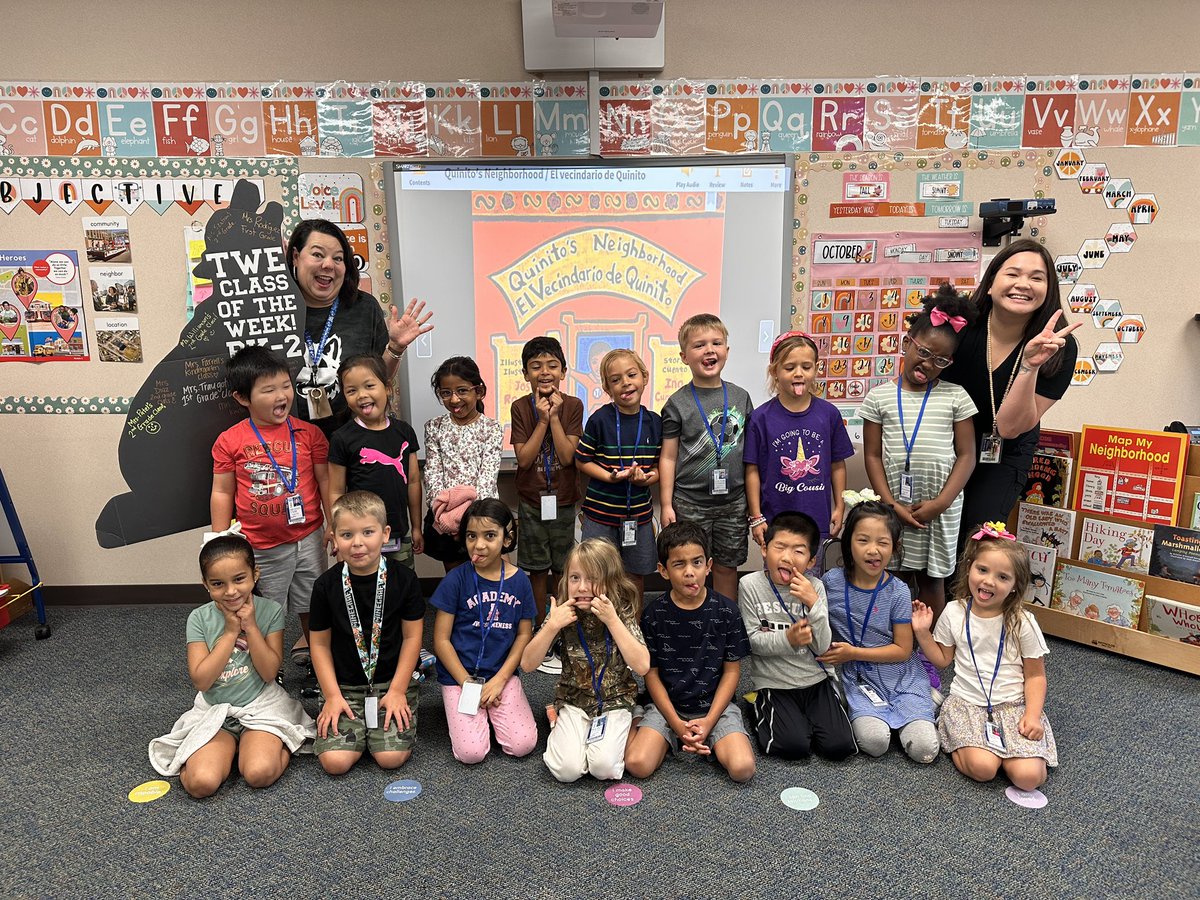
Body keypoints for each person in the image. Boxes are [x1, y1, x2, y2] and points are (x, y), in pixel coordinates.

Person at [148, 535, 314, 797]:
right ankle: (218, 753)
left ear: (254, 575)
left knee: (259, 773)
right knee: (201, 784)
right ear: (206, 585)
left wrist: (250, 627)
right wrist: (229, 633)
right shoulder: (199, 618)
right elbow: (202, 681)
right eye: (218, 584)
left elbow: (270, 672)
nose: (231, 591)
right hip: (215, 711)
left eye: (239, 579)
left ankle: (275, 743)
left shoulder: (269, 610)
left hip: (261, 706)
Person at [940, 239, 1081, 542]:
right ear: (991, 283)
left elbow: (1010, 427)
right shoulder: (960, 327)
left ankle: (964, 593)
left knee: (976, 539)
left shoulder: (1059, 347)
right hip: (943, 443)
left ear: (1049, 290)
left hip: (1003, 453)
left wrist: (1029, 366)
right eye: (1013, 274)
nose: (1023, 284)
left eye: (1036, 277)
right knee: (932, 534)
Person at [860, 284, 979, 618]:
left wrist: (940, 503)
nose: (928, 364)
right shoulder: (879, 397)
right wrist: (891, 504)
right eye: (924, 352)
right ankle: (890, 641)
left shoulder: (956, 396)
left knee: (932, 580)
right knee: (891, 576)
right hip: (895, 505)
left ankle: (931, 651)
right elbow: (872, 456)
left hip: (940, 509)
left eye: (940, 360)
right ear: (906, 343)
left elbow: (967, 455)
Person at [210, 346, 330, 671]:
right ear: (242, 398)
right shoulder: (229, 441)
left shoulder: (310, 434)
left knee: (313, 606)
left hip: (309, 538)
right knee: (264, 611)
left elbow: (325, 482)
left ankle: (322, 667)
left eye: (285, 385)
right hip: (261, 545)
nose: (282, 396)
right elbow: (222, 491)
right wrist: (220, 544)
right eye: (268, 390)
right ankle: (268, 671)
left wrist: (334, 524)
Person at [912, 522, 1057, 790]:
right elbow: (942, 660)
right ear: (969, 568)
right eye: (982, 570)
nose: (989, 581)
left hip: (1013, 706)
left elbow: (1036, 676)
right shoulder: (955, 612)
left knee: (1029, 778)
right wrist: (922, 633)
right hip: (967, 705)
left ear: (1015, 585)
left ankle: (1005, 752)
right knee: (983, 769)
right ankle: (959, 736)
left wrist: (1033, 716)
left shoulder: (1023, 621)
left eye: (1003, 577)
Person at [624, 522, 756, 783]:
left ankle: (703, 735)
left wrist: (709, 721)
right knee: (638, 765)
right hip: (666, 707)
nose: (689, 573)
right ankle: (645, 723)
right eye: (679, 564)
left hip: (715, 707)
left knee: (743, 769)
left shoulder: (727, 611)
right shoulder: (653, 616)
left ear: (708, 565)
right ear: (662, 570)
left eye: (696, 563)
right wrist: (675, 723)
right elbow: (651, 675)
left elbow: (732, 673)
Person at [308, 491, 425, 774]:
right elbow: (320, 646)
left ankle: (378, 724)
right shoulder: (326, 586)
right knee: (335, 763)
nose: (358, 543)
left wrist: (398, 690)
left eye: (368, 532)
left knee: (389, 759)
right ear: (333, 537)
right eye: (347, 535)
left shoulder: (404, 579)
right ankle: (353, 725)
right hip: (343, 687)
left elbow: (412, 638)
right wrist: (332, 695)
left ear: (385, 534)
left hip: (391, 683)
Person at [286, 219, 433, 436]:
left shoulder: (363, 307)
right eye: (318, 255)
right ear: (296, 257)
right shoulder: (272, 307)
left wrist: (395, 346)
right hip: (288, 446)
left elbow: (378, 378)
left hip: (352, 442)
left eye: (338, 258)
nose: (328, 265)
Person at [820, 497, 939, 764]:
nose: (873, 550)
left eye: (882, 543)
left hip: (900, 675)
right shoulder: (832, 582)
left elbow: (902, 650)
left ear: (894, 548)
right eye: (863, 540)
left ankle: (923, 702)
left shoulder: (897, 591)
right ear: (848, 543)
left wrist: (853, 652)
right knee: (874, 743)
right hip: (860, 677)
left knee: (924, 750)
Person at [520, 539, 650, 782]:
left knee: (604, 769)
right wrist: (552, 626)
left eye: (591, 579)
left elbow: (642, 665)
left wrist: (613, 621)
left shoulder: (619, 611)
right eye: (574, 578)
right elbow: (527, 664)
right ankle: (560, 723)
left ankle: (633, 718)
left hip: (615, 700)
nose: (581, 587)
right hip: (574, 700)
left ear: (610, 581)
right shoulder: (562, 612)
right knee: (566, 772)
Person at [737, 511, 856, 761]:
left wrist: (814, 604)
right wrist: (787, 640)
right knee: (793, 747)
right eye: (779, 547)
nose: (787, 557)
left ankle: (803, 718)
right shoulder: (750, 585)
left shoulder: (816, 587)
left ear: (811, 561)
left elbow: (823, 646)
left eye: (798, 551)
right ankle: (756, 703)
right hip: (774, 682)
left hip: (815, 680)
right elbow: (752, 643)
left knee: (839, 747)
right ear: (765, 550)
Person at [430, 498, 538, 765]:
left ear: (506, 538)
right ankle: (472, 713)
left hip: (501, 674)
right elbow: (440, 640)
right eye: (471, 536)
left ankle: (493, 710)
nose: (478, 545)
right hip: (460, 676)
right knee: (471, 753)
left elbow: (524, 634)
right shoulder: (455, 579)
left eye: (490, 535)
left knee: (523, 744)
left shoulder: (520, 581)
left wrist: (501, 679)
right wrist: (466, 683)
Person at [659, 313, 755, 602]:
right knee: (689, 570)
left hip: (733, 503)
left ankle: (724, 625)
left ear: (727, 350)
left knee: (726, 567)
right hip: (690, 502)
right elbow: (668, 457)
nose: (709, 350)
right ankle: (690, 624)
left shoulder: (741, 397)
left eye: (717, 343)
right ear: (684, 356)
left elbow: (750, 456)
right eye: (699, 345)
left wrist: (753, 505)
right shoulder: (677, 402)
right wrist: (666, 504)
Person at [509, 336, 584, 673]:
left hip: (565, 500)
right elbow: (524, 460)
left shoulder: (573, 405)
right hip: (532, 501)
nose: (544, 372)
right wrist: (541, 419)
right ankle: (542, 628)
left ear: (563, 371)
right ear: (526, 373)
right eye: (536, 366)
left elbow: (569, 457)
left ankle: (563, 629)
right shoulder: (521, 407)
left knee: (563, 568)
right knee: (536, 568)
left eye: (552, 365)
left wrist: (553, 417)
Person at [745, 332, 853, 549]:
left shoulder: (829, 414)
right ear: (774, 371)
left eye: (806, 367)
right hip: (776, 524)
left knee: (812, 581)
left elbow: (837, 465)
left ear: (816, 368)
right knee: (779, 579)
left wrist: (839, 507)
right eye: (789, 367)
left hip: (817, 522)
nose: (798, 374)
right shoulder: (760, 418)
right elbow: (752, 470)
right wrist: (756, 516)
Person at [575, 349, 662, 600]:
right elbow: (582, 461)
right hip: (600, 516)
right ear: (606, 387)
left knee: (635, 576)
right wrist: (610, 477)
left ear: (644, 377)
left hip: (638, 516)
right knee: (596, 574)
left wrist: (647, 478)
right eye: (615, 380)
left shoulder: (654, 422)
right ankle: (599, 632)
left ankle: (633, 629)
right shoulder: (600, 420)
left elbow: (659, 468)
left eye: (631, 375)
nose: (625, 382)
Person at [327, 355, 423, 570]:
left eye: (369, 385)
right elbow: (336, 490)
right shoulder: (342, 438)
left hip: (399, 531)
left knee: (401, 589)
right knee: (362, 592)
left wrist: (417, 527)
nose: (362, 395)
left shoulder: (404, 431)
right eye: (351, 391)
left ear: (387, 388)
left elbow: (414, 482)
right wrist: (338, 533)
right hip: (359, 538)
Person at [423, 357, 503, 573]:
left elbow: (487, 478)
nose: (455, 399)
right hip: (445, 519)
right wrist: (446, 518)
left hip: (481, 517)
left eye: (462, 391)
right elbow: (432, 475)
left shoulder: (492, 428)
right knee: (456, 576)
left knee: (484, 573)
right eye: (446, 393)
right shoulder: (434, 427)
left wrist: (468, 521)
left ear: (479, 391)